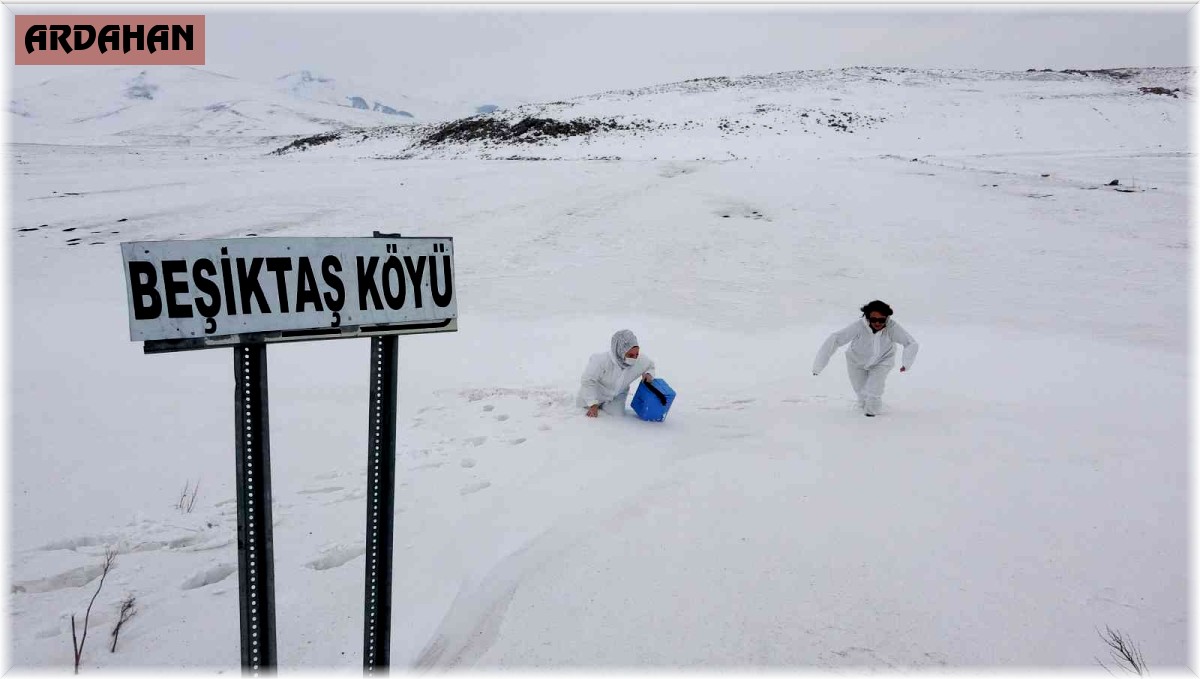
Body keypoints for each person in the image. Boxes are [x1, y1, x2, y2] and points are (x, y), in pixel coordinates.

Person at [812, 300, 919, 417]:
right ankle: (863, 406)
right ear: (867, 317)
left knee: (874, 388)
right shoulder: (858, 326)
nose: (878, 323)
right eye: (874, 319)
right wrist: (818, 366)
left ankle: (871, 415)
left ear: (887, 318)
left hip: (883, 360)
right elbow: (835, 339)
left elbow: (910, 343)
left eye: (882, 320)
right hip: (856, 361)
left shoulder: (892, 327)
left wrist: (906, 362)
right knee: (861, 391)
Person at [578, 329, 656, 418]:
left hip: (617, 397)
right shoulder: (601, 361)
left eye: (636, 354)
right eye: (630, 355)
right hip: (595, 394)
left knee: (617, 417)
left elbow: (650, 365)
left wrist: (649, 374)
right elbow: (587, 381)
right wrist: (592, 404)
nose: (634, 358)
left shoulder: (639, 361)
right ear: (620, 351)